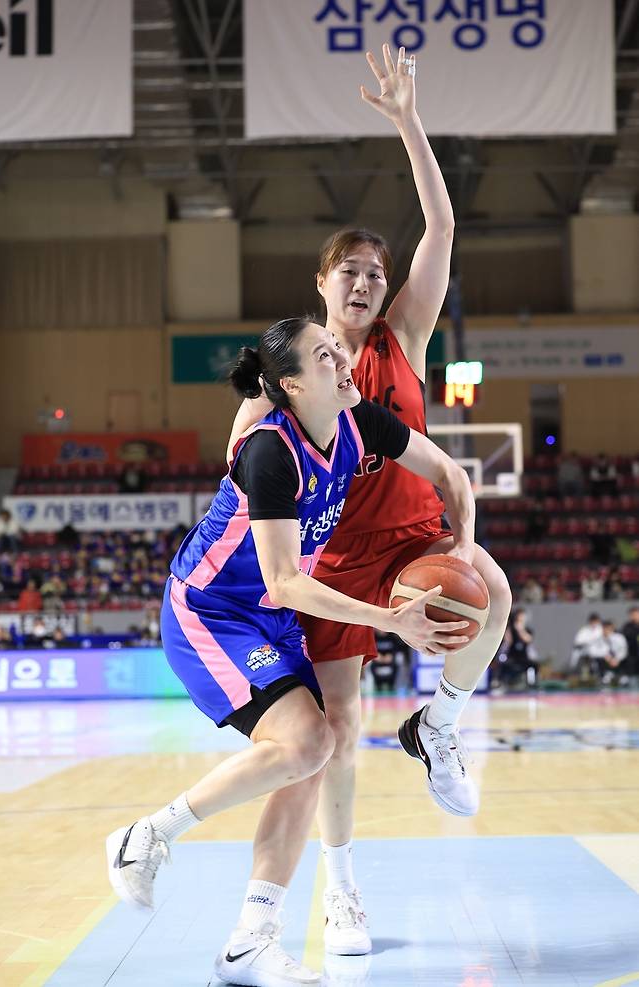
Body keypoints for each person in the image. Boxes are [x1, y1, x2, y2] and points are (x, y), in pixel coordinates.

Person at [227, 44, 512, 956]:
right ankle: (341, 890)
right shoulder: (288, 370)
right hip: (332, 564)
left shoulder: (405, 337)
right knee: (340, 730)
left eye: (375, 273)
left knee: (495, 592)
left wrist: (409, 123)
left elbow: (443, 224)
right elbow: (241, 456)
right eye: (347, 270)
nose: (363, 282)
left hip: (412, 539)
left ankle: (439, 725)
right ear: (321, 283)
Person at [105, 317, 475, 987]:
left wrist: (464, 550)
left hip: (268, 619)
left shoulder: (360, 423)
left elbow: (449, 473)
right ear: (294, 384)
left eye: (338, 350)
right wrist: (390, 620)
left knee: (316, 750)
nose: (342, 359)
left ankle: (250, 942)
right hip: (212, 612)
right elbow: (284, 581)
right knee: (307, 743)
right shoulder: (269, 452)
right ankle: (151, 833)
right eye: (324, 354)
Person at [570, 613, 604, 677]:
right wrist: (588, 643)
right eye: (593, 621)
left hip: (599, 650)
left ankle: (597, 673)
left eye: (596, 621)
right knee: (575, 654)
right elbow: (578, 641)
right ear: (590, 621)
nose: (594, 623)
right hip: (585, 650)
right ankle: (575, 672)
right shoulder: (584, 630)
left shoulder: (601, 629)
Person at [597, 620, 628, 685]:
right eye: (604, 628)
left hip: (618, 660)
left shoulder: (619, 637)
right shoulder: (598, 638)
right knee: (599, 659)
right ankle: (606, 675)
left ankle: (621, 676)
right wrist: (606, 656)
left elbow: (623, 650)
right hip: (605, 660)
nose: (606, 630)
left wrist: (617, 659)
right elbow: (595, 650)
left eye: (608, 628)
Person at [620, 606, 639, 684]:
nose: (634, 616)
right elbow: (623, 639)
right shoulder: (627, 627)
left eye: (635, 614)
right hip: (632, 654)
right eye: (632, 615)